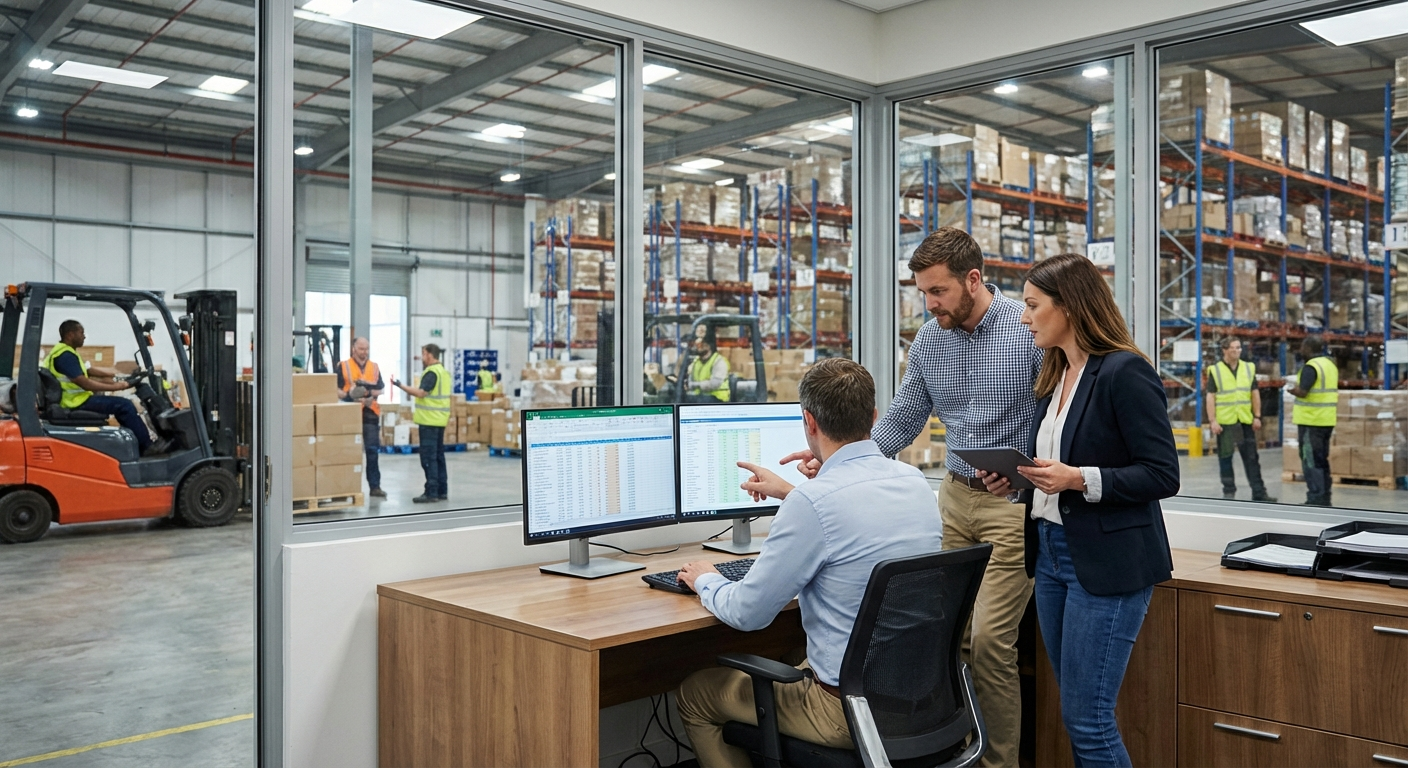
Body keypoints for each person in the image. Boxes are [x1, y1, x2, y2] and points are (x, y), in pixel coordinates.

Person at [782, 227, 1041, 768]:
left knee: (989, 645)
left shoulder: (1025, 330)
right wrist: (837, 458)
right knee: (935, 637)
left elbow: (1054, 419)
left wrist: (1026, 473)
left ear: (974, 279)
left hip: (1010, 507)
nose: (930, 304)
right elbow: (901, 420)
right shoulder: (929, 340)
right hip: (952, 501)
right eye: (923, 292)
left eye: (939, 291)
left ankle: (996, 764)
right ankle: (939, 748)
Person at [674, 358, 944, 768]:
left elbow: (747, 613)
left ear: (809, 422)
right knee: (790, 654)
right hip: (920, 699)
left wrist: (707, 580)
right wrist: (796, 495)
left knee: (697, 693)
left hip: (846, 714)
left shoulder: (813, 502)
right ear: (872, 416)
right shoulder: (915, 483)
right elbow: (850, 515)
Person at [978, 253, 1179, 767]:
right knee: (1073, 711)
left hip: (1105, 563)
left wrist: (1076, 479)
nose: (1023, 317)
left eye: (1032, 305)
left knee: (1089, 720)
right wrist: (1017, 482)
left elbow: (1161, 474)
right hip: (1049, 557)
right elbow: (1055, 473)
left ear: (1068, 306)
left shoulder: (1124, 372)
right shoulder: (1057, 376)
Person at [45, 319, 167, 455]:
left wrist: (121, 375)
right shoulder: (65, 356)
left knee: (122, 405)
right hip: (74, 402)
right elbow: (85, 383)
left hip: (75, 400)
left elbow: (89, 370)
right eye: (81, 332)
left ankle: (136, 446)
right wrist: (120, 386)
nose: (84, 336)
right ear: (70, 334)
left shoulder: (64, 351)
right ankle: (147, 447)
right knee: (125, 405)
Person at [1206, 338, 1275, 501]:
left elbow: (1255, 393)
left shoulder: (1248, 368)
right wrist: (1213, 421)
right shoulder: (1215, 370)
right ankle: (1229, 492)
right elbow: (1210, 396)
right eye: (1233, 348)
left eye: (1239, 348)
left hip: (1245, 420)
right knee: (1225, 457)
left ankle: (1259, 493)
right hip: (1226, 423)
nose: (1237, 351)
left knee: (1252, 458)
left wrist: (1257, 416)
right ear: (1224, 350)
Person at [390, 344, 450, 503]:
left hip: (429, 421)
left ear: (429, 355)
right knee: (438, 456)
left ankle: (431, 492)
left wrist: (400, 386)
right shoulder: (443, 372)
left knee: (428, 458)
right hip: (440, 420)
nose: (422, 358)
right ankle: (442, 490)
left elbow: (421, 392)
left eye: (423, 354)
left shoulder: (431, 372)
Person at [1286, 335, 1337, 506]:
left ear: (1308, 348)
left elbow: (1303, 392)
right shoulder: (1330, 365)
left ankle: (1315, 498)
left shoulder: (1311, 367)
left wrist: (1290, 389)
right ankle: (1324, 495)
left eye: (1303, 347)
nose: (1301, 350)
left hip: (1311, 421)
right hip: (1326, 420)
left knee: (1311, 460)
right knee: (1322, 459)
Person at [338, 337, 386, 499]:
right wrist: (349, 395)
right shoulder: (343, 366)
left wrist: (370, 395)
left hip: (370, 413)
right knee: (347, 453)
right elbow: (334, 388)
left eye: (366, 349)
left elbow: (381, 389)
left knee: (372, 451)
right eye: (361, 349)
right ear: (353, 349)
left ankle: (375, 486)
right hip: (349, 413)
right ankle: (345, 489)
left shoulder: (374, 367)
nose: (364, 352)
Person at [684, 334, 730, 403]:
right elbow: (690, 378)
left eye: (701, 344)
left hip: (718, 399)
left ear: (708, 346)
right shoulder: (696, 361)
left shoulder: (719, 361)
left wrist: (693, 385)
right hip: (701, 397)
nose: (698, 347)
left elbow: (714, 384)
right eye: (697, 345)